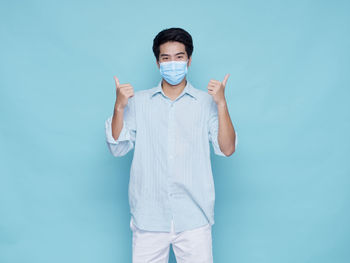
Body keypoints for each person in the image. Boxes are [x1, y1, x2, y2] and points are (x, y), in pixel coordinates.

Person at [105, 27, 238, 263]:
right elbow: (117, 147)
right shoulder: (139, 102)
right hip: (149, 218)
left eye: (179, 57)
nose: (173, 63)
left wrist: (221, 104)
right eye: (166, 58)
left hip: (194, 218)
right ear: (157, 63)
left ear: (189, 60)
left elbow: (227, 149)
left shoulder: (206, 102)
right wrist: (118, 107)